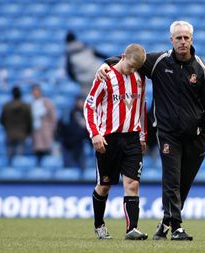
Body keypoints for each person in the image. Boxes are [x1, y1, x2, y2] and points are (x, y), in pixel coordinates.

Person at [96, 20, 205, 241]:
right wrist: (106, 63)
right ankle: (178, 228)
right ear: (171, 40)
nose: (182, 42)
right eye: (178, 38)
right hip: (168, 133)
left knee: (184, 183)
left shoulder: (202, 69)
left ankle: (164, 225)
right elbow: (131, 59)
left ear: (192, 40)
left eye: (186, 38)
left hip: (195, 136)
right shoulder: (159, 62)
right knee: (171, 178)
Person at [84, 44, 148, 240]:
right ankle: (99, 225)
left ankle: (132, 229)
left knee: (132, 183)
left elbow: (141, 106)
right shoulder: (105, 77)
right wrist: (95, 134)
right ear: (122, 57)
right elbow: (89, 106)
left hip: (132, 137)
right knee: (104, 186)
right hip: (108, 139)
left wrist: (143, 134)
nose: (131, 71)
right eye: (129, 66)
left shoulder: (139, 78)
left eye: (135, 68)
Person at [65, 31, 108, 97]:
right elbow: (99, 54)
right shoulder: (84, 46)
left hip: (84, 80)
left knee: (91, 99)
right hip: (97, 73)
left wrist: (76, 80)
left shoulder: (69, 53)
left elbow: (69, 71)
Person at [0, 86, 32, 165]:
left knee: (9, 157)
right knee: (19, 160)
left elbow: (2, 120)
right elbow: (30, 121)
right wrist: (27, 132)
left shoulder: (6, 106)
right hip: (21, 134)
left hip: (9, 134)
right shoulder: (26, 106)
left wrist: (7, 127)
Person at [57, 95, 89, 170]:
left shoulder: (86, 114)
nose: (81, 103)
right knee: (68, 167)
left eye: (82, 101)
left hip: (80, 143)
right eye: (80, 101)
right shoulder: (69, 113)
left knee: (82, 167)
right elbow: (62, 127)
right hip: (68, 144)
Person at [31, 84, 57, 166]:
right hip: (36, 132)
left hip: (46, 132)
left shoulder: (47, 103)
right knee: (38, 152)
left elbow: (53, 118)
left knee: (47, 152)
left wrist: (51, 129)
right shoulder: (32, 104)